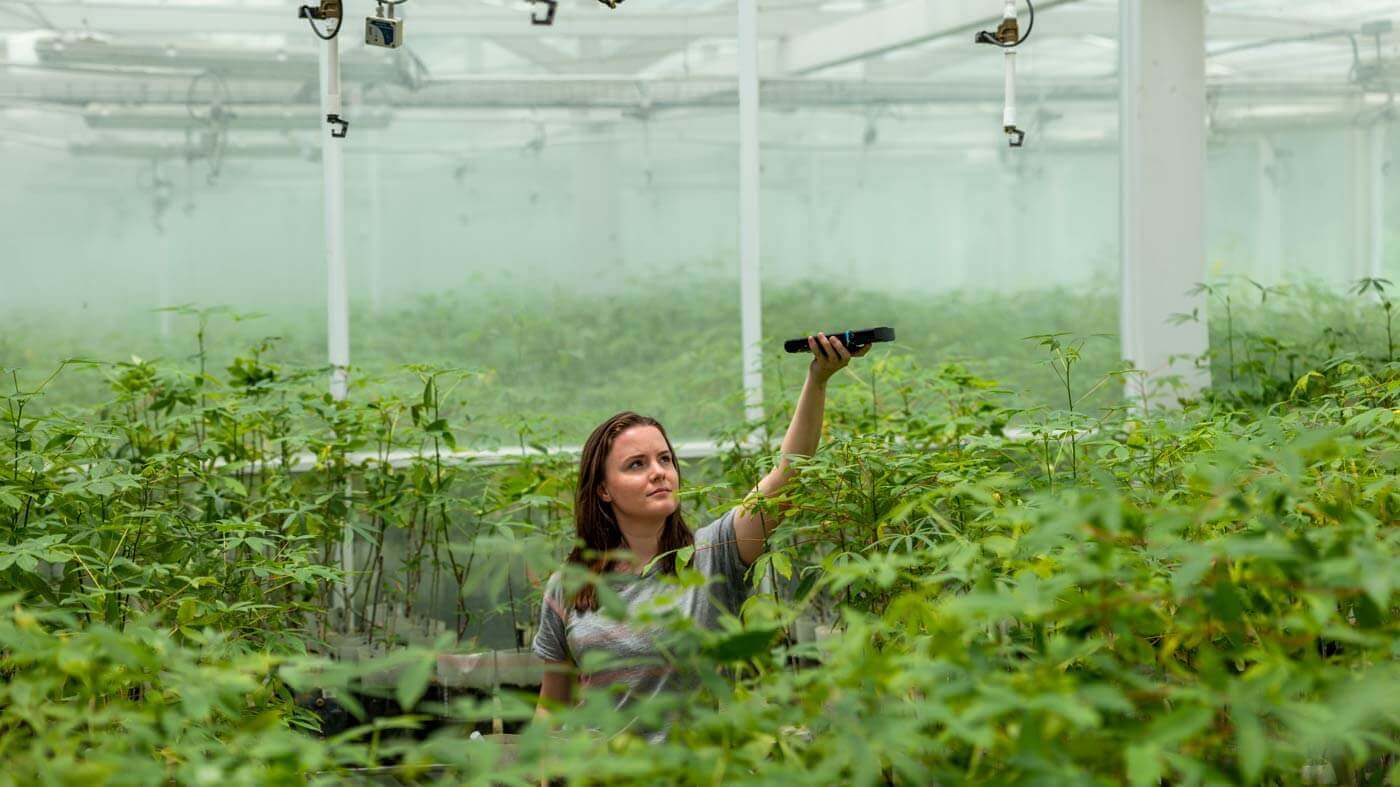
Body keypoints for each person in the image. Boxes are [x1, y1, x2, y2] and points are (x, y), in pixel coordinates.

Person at [531, 332, 872, 738]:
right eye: (636, 465)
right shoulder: (569, 587)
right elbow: (552, 706)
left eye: (664, 459)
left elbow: (789, 474)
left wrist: (817, 381)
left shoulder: (713, 555)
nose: (658, 471)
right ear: (603, 489)